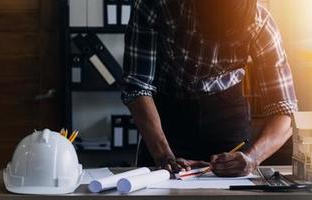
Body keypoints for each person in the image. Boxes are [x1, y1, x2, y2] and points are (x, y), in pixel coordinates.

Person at [122, 0, 297, 177]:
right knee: (156, 184)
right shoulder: (157, 5)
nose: (214, 46)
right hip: (166, 112)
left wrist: (253, 158)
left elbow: (285, 110)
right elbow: (137, 86)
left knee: (232, 186)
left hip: (226, 111)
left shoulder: (260, 23)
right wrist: (163, 155)